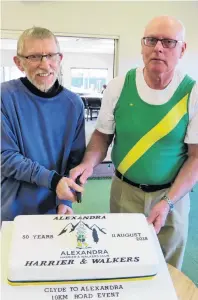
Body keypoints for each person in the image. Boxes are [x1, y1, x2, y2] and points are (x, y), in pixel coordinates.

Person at [70, 16, 198, 269]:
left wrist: (168, 201)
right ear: (142, 46)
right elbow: (102, 135)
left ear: (182, 49)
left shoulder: (192, 94)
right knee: (122, 261)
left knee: (167, 268)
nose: (158, 47)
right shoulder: (119, 86)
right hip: (123, 192)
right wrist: (88, 163)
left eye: (169, 42)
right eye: (151, 40)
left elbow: (196, 156)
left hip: (172, 196)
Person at [1, 27, 85, 221]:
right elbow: (5, 157)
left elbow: (75, 160)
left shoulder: (74, 104)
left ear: (60, 59)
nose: (45, 65)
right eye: (34, 57)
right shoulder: (4, 97)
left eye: (51, 56)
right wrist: (54, 181)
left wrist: (66, 201)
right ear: (19, 62)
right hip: (12, 211)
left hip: (54, 210)